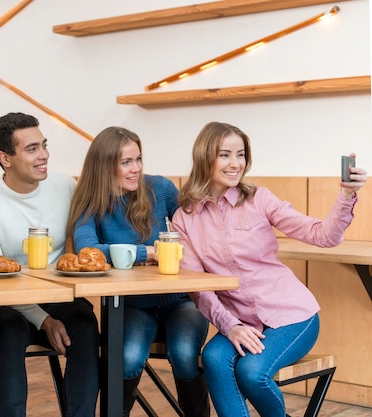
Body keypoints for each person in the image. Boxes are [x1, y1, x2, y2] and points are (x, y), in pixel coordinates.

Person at [172, 121, 367, 417]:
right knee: (213, 357)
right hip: (239, 320)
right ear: (205, 157)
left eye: (241, 155)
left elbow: (323, 236)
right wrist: (230, 325)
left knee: (252, 372)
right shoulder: (184, 218)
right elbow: (197, 286)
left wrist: (346, 195)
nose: (236, 163)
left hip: (290, 316)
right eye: (225, 155)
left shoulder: (259, 199)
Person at [65, 126, 211, 417]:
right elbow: (87, 251)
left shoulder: (161, 188)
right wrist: (148, 252)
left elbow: (196, 232)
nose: (136, 169)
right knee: (128, 358)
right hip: (130, 306)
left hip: (178, 301)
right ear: (105, 166)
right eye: (126, 162)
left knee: (184, 356)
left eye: (138, 159)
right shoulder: (92, 200)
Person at [0, 112, 100, 417]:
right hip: (3, 302)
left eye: (44, 145)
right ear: (5, 158)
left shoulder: (66, 186)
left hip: (56, 296)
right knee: (9, 328)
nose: (44, 156)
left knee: (84, 322)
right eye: (31, 149)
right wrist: (43, 320)